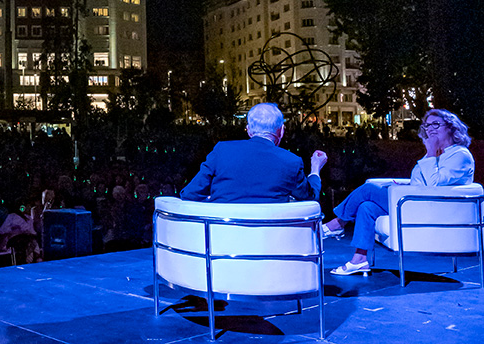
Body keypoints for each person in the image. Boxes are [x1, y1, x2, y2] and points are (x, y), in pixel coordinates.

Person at [323, 109, 475, 275]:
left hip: (428, 210)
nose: (430, 129)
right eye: (427, 125)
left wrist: (430, 152)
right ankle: (359, 260)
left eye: (436, 124)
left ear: (451, 128)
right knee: (366, 207)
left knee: (368, 190)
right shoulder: (439, 154)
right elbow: (423, 181)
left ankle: (338, 223)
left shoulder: (460, 155)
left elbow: (433, 186)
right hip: (415, 203)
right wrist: (399, 184)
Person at [180, 103, 328, 203]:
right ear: (281, 130)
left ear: (249, 130)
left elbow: (190, 194)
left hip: (223, 241)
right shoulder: (291, 161)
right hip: (271, 243)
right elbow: (310, 198)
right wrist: (315, 168)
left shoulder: (221, 150)